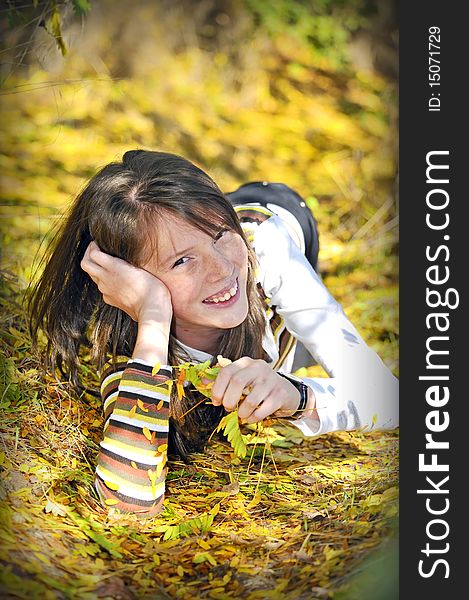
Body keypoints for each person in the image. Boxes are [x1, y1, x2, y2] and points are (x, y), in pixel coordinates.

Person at [28, 149, 398, 517]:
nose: (222, 269)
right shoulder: (119, 341)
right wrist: (154, 316)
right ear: (134, 280)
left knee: (298, 350)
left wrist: (297, 394)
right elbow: (128, 501)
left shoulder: (263, 247)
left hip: (276, 211)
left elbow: (389, 396)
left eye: (221, 235)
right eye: (182, 261)